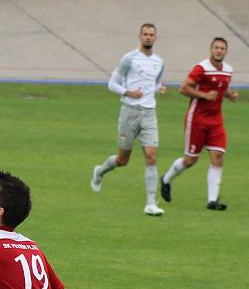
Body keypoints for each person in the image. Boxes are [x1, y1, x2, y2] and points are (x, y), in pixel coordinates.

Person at [91, 23, 167, 216]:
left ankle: (151, 203)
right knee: (123, 159)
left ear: (155, 38)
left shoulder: (159, 62)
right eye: (145, 34)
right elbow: (112, 83)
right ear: (139, 36)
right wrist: (127, 92)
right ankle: (100, 171)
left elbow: (156, 83)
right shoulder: (129, 59)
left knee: (151, 156)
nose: (148, 37)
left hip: (149, 113)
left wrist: (160, 88)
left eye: (151, 35)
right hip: (129, 112)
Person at [160, 37, 239, 210]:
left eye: (222, 48)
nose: (219, 51)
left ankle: (212, 201)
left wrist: (230, 95)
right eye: (216, 48)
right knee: (190, 161)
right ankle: (166, 179)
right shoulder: (201, 68)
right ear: (211, 49)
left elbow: (222, 87)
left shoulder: (228, 70)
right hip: (197, 119)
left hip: (216, 120)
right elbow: (183, 88)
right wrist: (204, 95)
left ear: (226, 51)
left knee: (218, 157)